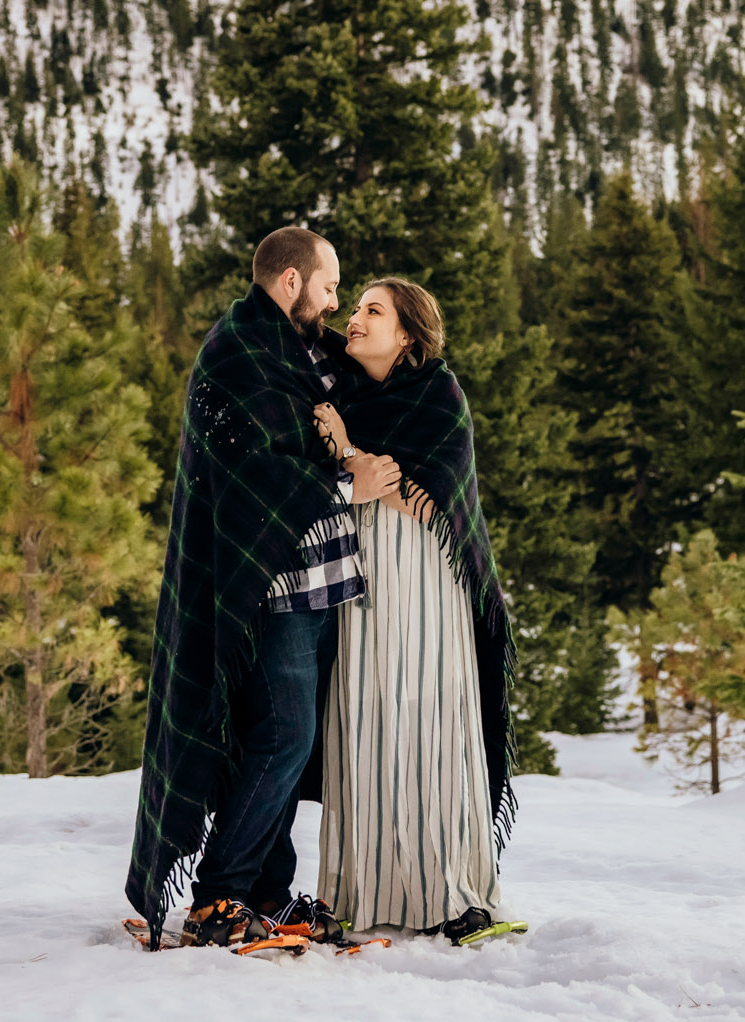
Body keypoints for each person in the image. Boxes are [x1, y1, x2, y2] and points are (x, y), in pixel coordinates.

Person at [125, 228, 402, 949]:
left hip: (315, 582)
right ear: (289, 282)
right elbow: (252, 472)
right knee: (284, 736)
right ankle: (218, 896)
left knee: (279, 742)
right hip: (272, 585)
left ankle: (268, 896)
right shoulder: (239, 353)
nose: (337, 301)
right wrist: (348, 479)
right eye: (330, 285)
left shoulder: (298, 350)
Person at [311, 278, 516, 942]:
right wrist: (355, 465)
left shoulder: (438, 396)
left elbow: (431, 501)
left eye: (373, 310)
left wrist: (348, 452)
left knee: (428, 717)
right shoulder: (332, 393)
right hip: (356, 570)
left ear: (407, 334)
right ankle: (359, 893)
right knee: (362, 717)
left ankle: (452, 893)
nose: (355, 319)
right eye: (355, 308)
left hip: (425, 573)